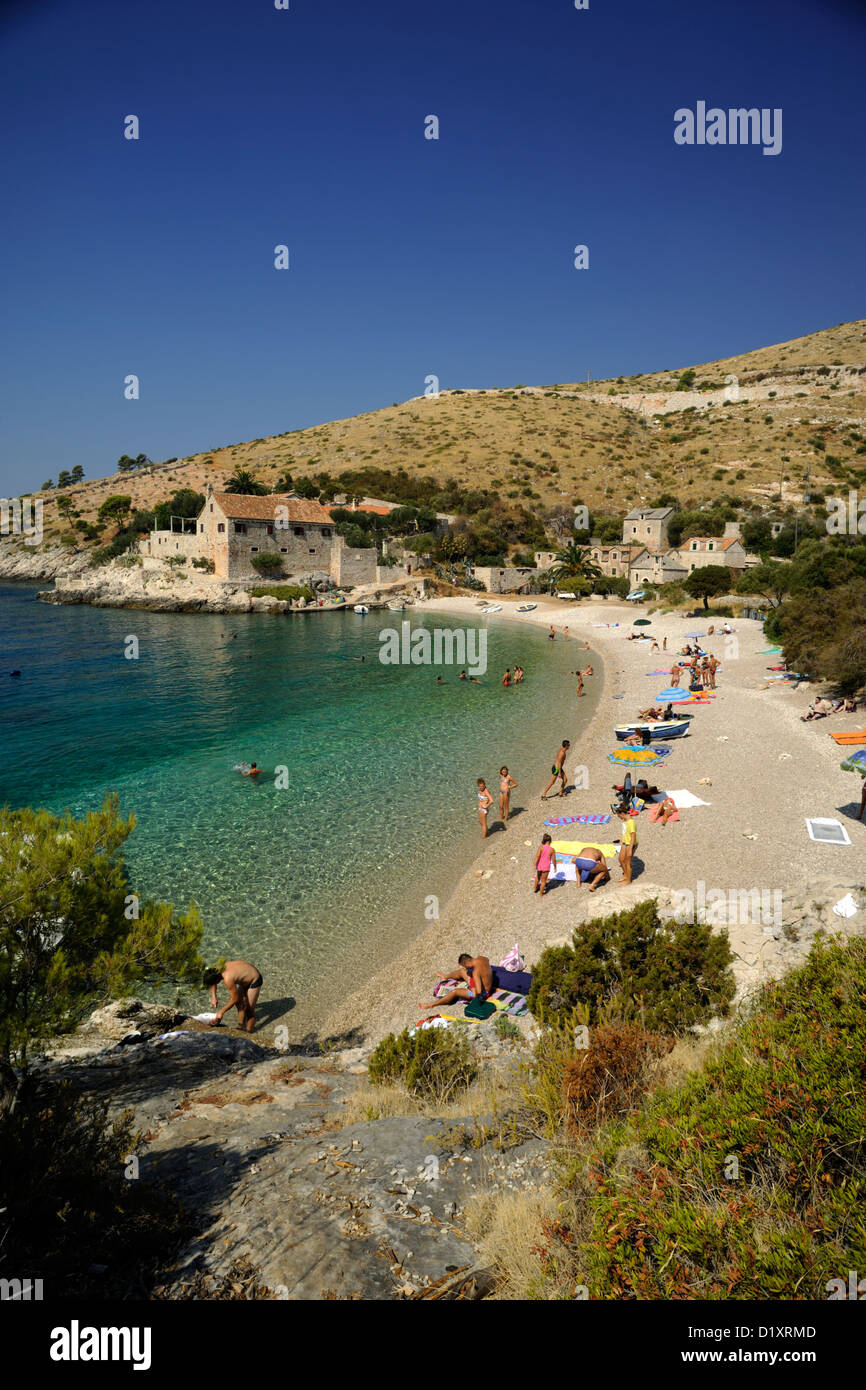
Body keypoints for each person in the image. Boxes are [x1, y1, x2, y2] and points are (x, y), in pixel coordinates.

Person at [204, 959, 263, 1033]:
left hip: (254, 980)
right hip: (246, 975)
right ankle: (241, 1026)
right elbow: (212, 982)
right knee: (240, 1005)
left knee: (249, 1011)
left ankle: (248, 1033)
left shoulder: (228, 978)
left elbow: (235, 999)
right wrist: (214, 996)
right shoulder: (217, 969)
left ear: (217, 981)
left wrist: (222, 1011)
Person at [419, 953, 494, 1010]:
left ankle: (431, 1005)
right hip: (486, 984)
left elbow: (478, 992)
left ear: (466, 964)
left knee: (455, 992)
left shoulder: (476, 973)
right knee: (462, 971)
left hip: (483, 994)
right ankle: (446, 976)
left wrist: (472, 988)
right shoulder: (482, 958)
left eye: (464, 966)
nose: (466, 968)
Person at [617, 809, 637, 885]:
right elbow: (626, 831)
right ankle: (626, 875)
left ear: (622, 813)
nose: (618, 817)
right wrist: (621, 838)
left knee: (627, 862)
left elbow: (633, 835)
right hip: (625, 842)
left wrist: (630, 849)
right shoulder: (625, 820)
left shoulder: (631, 822)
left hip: (631, 843)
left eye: (618, 815)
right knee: (621, 859)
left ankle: (628, 880)